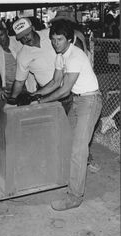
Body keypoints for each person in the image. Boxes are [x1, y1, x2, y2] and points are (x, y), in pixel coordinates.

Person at [31, 19, 102, 211]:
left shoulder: (75, 56)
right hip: (78, 101)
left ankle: (75, 197)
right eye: (53, 39)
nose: (55, 43)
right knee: (65, 141)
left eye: (60, 39)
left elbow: (63, 91)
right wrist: (35, 94)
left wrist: (40, 101)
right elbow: (55, 82)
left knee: (79, 150)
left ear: (70, 39)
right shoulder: (60, 56)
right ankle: (68, 178)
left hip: (90, 101)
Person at [0, 20, 36, 100]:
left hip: (28, 87)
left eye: (1, 35)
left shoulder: (19, 40)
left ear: (6, 32)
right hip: (9, 91)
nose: (0, 39)